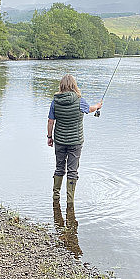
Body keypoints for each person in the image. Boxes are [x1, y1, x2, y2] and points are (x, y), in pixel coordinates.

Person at [47, 74, 102, 205]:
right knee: (73, 170)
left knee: (59, 167)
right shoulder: (79, 100)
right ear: (74, 85)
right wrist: (98, 106)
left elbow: (50, 121)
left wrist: (49, 137)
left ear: (61, 85)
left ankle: (56, 196)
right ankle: (70, 201)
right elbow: (89, 109)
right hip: (75, 142)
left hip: (60, 141)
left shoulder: (55, 101)